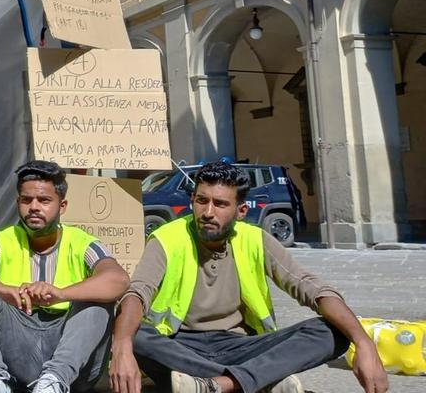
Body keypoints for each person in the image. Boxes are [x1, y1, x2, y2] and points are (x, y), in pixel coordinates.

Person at [109, 162, 389, 393]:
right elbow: (138, 293)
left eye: (220, 204)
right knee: (132, 332)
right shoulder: (167, 238)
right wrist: (121, 347)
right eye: (201, 200)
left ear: (241, 211)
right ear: (192, 201)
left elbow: (312, 288)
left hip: (241, 346)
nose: (208, 212)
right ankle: (258, 382)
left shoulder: (255, 240)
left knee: (333, 330)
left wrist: (364, 343)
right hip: (179, 346)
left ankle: (218, 385)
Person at [0, 161, 128, 393]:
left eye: (44, 200)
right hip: (17, 354)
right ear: (18, 202)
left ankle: (52, 383)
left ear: (62, 206)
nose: (34, 207)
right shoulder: (3, 240)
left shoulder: (82, 242)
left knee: (98, 301)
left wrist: (61, 294)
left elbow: (119, 279)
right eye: (26, 200)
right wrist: (1, 288)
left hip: (71, 364)